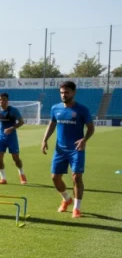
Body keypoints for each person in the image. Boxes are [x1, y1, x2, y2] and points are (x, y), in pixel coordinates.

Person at [41, 80, 94, 218]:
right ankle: (66, 199)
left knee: (76, 177)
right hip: (60, 149)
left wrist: (84, 139)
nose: (64, 95)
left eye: (67, 92)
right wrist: (45, 139)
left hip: (76, 149)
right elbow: (52, 124)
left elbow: (91, 128)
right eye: (62, 92)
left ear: (73, 93)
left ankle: (76, 208)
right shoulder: (55, 108)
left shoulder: (82, 110)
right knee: (55, 178)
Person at [0, 92, 27, 185]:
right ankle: (3, 179)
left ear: (7, 101)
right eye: (0, 100)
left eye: (4, 99)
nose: (1, 101)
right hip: (1, 137)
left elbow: (22, 122)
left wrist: (12, 128)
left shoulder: (13, 110)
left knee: (15, 158)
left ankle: (22, 174)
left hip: (11, 138)